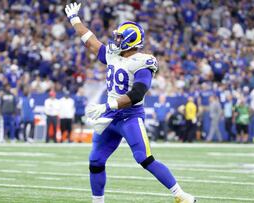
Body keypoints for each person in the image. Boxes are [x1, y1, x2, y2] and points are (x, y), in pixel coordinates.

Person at [65, 2, 195, 203]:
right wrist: (75, 19)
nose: (115, 40)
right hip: (110, 117)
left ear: (130, 41)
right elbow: (90, 42)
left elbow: (137, 93)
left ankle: (180, 194)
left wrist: (108, 106)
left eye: (119, 37)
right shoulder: (113, 54)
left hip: (129, 117)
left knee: (144, 158)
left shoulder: (143, 61)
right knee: (95, 160)